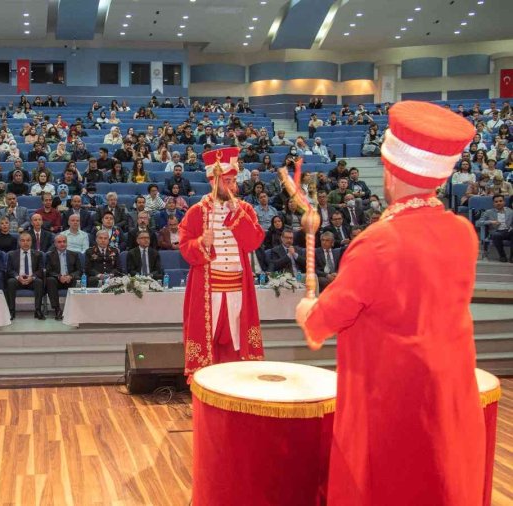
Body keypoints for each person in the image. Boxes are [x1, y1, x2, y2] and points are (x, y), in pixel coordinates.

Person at [294, 101, 486, 506]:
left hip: (392, 402)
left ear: (390, 168)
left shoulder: (379, 242)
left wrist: (308, 310)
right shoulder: (463, 232)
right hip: (450, 395)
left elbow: (327, 318)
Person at [179, 147, 265, 374]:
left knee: (238, 343)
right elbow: (185, 248)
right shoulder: (196, 212)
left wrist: (238, 216)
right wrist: (201, 243)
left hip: (238, 287)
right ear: (213, 181)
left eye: (233, 181)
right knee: (207, 342)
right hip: (208, 290)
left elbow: (254, 242)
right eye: (227, 181)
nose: (232, 186)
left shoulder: (245, 209)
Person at [4, 233, 46, 320]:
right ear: (19, 242)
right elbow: (9, 270)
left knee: (39, 282)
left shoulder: (38, 254)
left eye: (28, 240)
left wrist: (32, 277)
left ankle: (38, 310)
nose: (25, 243)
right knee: (10, 282)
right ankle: (11, 311)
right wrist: (18, 277)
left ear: (31, 242)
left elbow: (41, 270)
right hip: (18, 280)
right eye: (23, 240)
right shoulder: (12, 254)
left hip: (32, 280)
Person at [45, 234, 83, 320]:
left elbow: (79, 270)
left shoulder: (74, 255)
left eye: (64, 242)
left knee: (77, 279)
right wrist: (59, 276)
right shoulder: (50, 255)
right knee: (50, 280)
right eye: (59, 242)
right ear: (55, 244)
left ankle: (73, 308)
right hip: (57, 280)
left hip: (70, 279)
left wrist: (70, 276)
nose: (62, 244)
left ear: (67, 243)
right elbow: (48, 271)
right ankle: (57, 309)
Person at [476, 194, 513, 261]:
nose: (498, 203)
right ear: (493, 203)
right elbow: (478, 223)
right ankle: (502, 256)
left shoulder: (510, 211)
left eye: (500, 201)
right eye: (496, 202)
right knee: (496, 235)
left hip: (508, 231)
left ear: (504, 202)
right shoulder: (488, 212)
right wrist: (491, 222)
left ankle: (512, 257)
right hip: (497, 232)